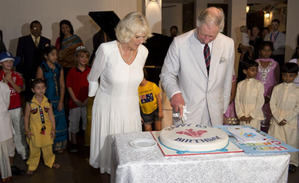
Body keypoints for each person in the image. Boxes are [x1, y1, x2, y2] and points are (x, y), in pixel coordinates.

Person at [87, 11, 151, 173]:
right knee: (110, 157)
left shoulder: (143, 52)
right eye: (138, 37)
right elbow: (93, 77)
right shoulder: (106, 50)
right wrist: (90, 99)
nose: (142, 41)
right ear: (126, 33)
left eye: (144, 36)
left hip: (131, 109)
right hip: (108, 107)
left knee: (130, 154)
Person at [160, 7, 235, 126]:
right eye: (203, 34)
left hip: (215, 112)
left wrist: (223, 107)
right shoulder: (179, 43)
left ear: (219, 30)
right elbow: (167, 74)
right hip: (187, 110)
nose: (206, 40)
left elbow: (228, 77)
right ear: (197, 25)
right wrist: (175, 93)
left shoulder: (228, 44)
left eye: (211, 37)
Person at [24, 79, 60, 175]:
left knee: (48, 147)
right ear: (33, 90)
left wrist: (53, 128)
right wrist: (27, 130)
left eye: (43, 88)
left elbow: (51, 115)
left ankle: (50, 162)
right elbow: (26, 117)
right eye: (38, 88)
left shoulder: (48, 101)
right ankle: (32, 166)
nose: (41, 90)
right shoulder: (30, 103)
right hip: (34, 131)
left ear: (45, 89)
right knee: (34, 149)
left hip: (47, 130)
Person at [268, 63, 299, 173]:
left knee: (291, 142)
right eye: (285, 75)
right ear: (281, 75)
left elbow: (297, 108)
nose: (287, 78)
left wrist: (286, 119)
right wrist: (278, 117)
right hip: (277, 120)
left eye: (290, 75)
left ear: (295, 76)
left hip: (290, 121)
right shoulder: (277, 88)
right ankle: (274, 160)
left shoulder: (297, 90)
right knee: (275, 140)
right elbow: (272, 104)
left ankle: (292, 162)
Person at [36, 46, 67, 153]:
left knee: (60, 122)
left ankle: (59, 145)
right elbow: (38, 87)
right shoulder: (42, 68)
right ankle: (48, 146)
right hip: (46, 101)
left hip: (58, 100)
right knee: (48, 123)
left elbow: (62, 85)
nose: (55, 57)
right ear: (46, 56)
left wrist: (61, 101)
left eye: (56, 54)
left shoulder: (59, 67)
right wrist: (43, 103)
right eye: (52, 54)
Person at [0, 52, 27, 160]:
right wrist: (4, 81)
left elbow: (19, 90)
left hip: (16, 107)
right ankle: (8, 154)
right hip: (3, 110)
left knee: (19, 130)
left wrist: (10, 80)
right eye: (6, 61)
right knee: (6, 132)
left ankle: (22, 152)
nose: (9, 63)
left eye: (11, 61)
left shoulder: (17, 75)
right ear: (1, 63)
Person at [16, 20, 51, 101]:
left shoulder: (46, 41)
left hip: (42, 72)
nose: (37, 29)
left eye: (39, 28)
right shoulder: (23, 40)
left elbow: (48, 58)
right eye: (35, 27)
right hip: (27, 73)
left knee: (42, 95)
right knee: (28, 96)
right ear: (31, 29)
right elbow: (19, 57)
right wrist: (20, 73)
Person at [66, 46, 90, 152]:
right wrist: (75, 99)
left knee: (86, 123)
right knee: (74, 123)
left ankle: (86, 143)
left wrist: (87, 100)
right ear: (77, 58)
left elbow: (93, 86)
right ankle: (74, 143)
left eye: (86, 57)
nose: (84, 59)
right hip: (75, 102)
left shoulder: (90, 70)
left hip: (86, 101)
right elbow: (69, 86)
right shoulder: (72, 71)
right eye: (81, 57)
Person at [255, 41, 280, 132]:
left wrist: (271, 95)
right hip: (257, 93)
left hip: (270, 94)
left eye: (269, 50)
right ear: (260, 51)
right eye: (264, 50)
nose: (266, 52)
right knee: (257, 112)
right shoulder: (256, 63)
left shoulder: (275, 64)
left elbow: (276, 81)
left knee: (268, 113)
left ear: (272, 51)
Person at [235, 61, 265, 130]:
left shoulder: (259, 84)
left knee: (254, 136)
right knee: (242, 135)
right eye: (252, 70)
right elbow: (237, 101)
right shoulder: (240, 84)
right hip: (243, 116)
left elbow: (260, 101)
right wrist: (240, 115)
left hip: (254, 117)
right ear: (245, 71)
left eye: (256, 70)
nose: (255, 72)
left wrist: (252, 115)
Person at [0, 81, 14, 182]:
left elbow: (6, 104)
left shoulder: (3, 86)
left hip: (3, 122)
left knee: (6, 151)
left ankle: (6, 175)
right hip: (3, 122)